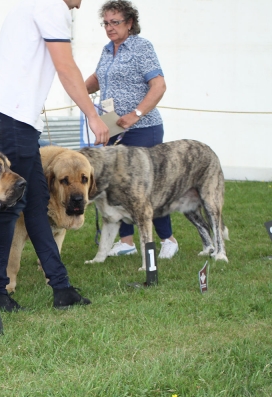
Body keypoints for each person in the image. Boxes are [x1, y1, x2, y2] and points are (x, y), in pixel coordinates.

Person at [0, 0, 109, 311]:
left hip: (13, 120)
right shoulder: (51, 6)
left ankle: (61, 288)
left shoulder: (33, 5)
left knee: (35, 202)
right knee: (9, 207)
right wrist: (92, 114)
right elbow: (65, 66)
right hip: (11, 120)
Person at [85, 0, 177, 259]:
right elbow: (98, 79)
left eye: (115, 22)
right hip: (113, 129)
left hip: (143, 128)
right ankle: (126, 241)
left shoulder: (141, 47)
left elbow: (158, 85)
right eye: (106, 23)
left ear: (130, 23)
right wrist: (76, 89)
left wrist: (135, 115)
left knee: (147, 188)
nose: (110, 28)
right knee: (119, 187)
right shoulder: (106, 50)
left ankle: (167, 239)